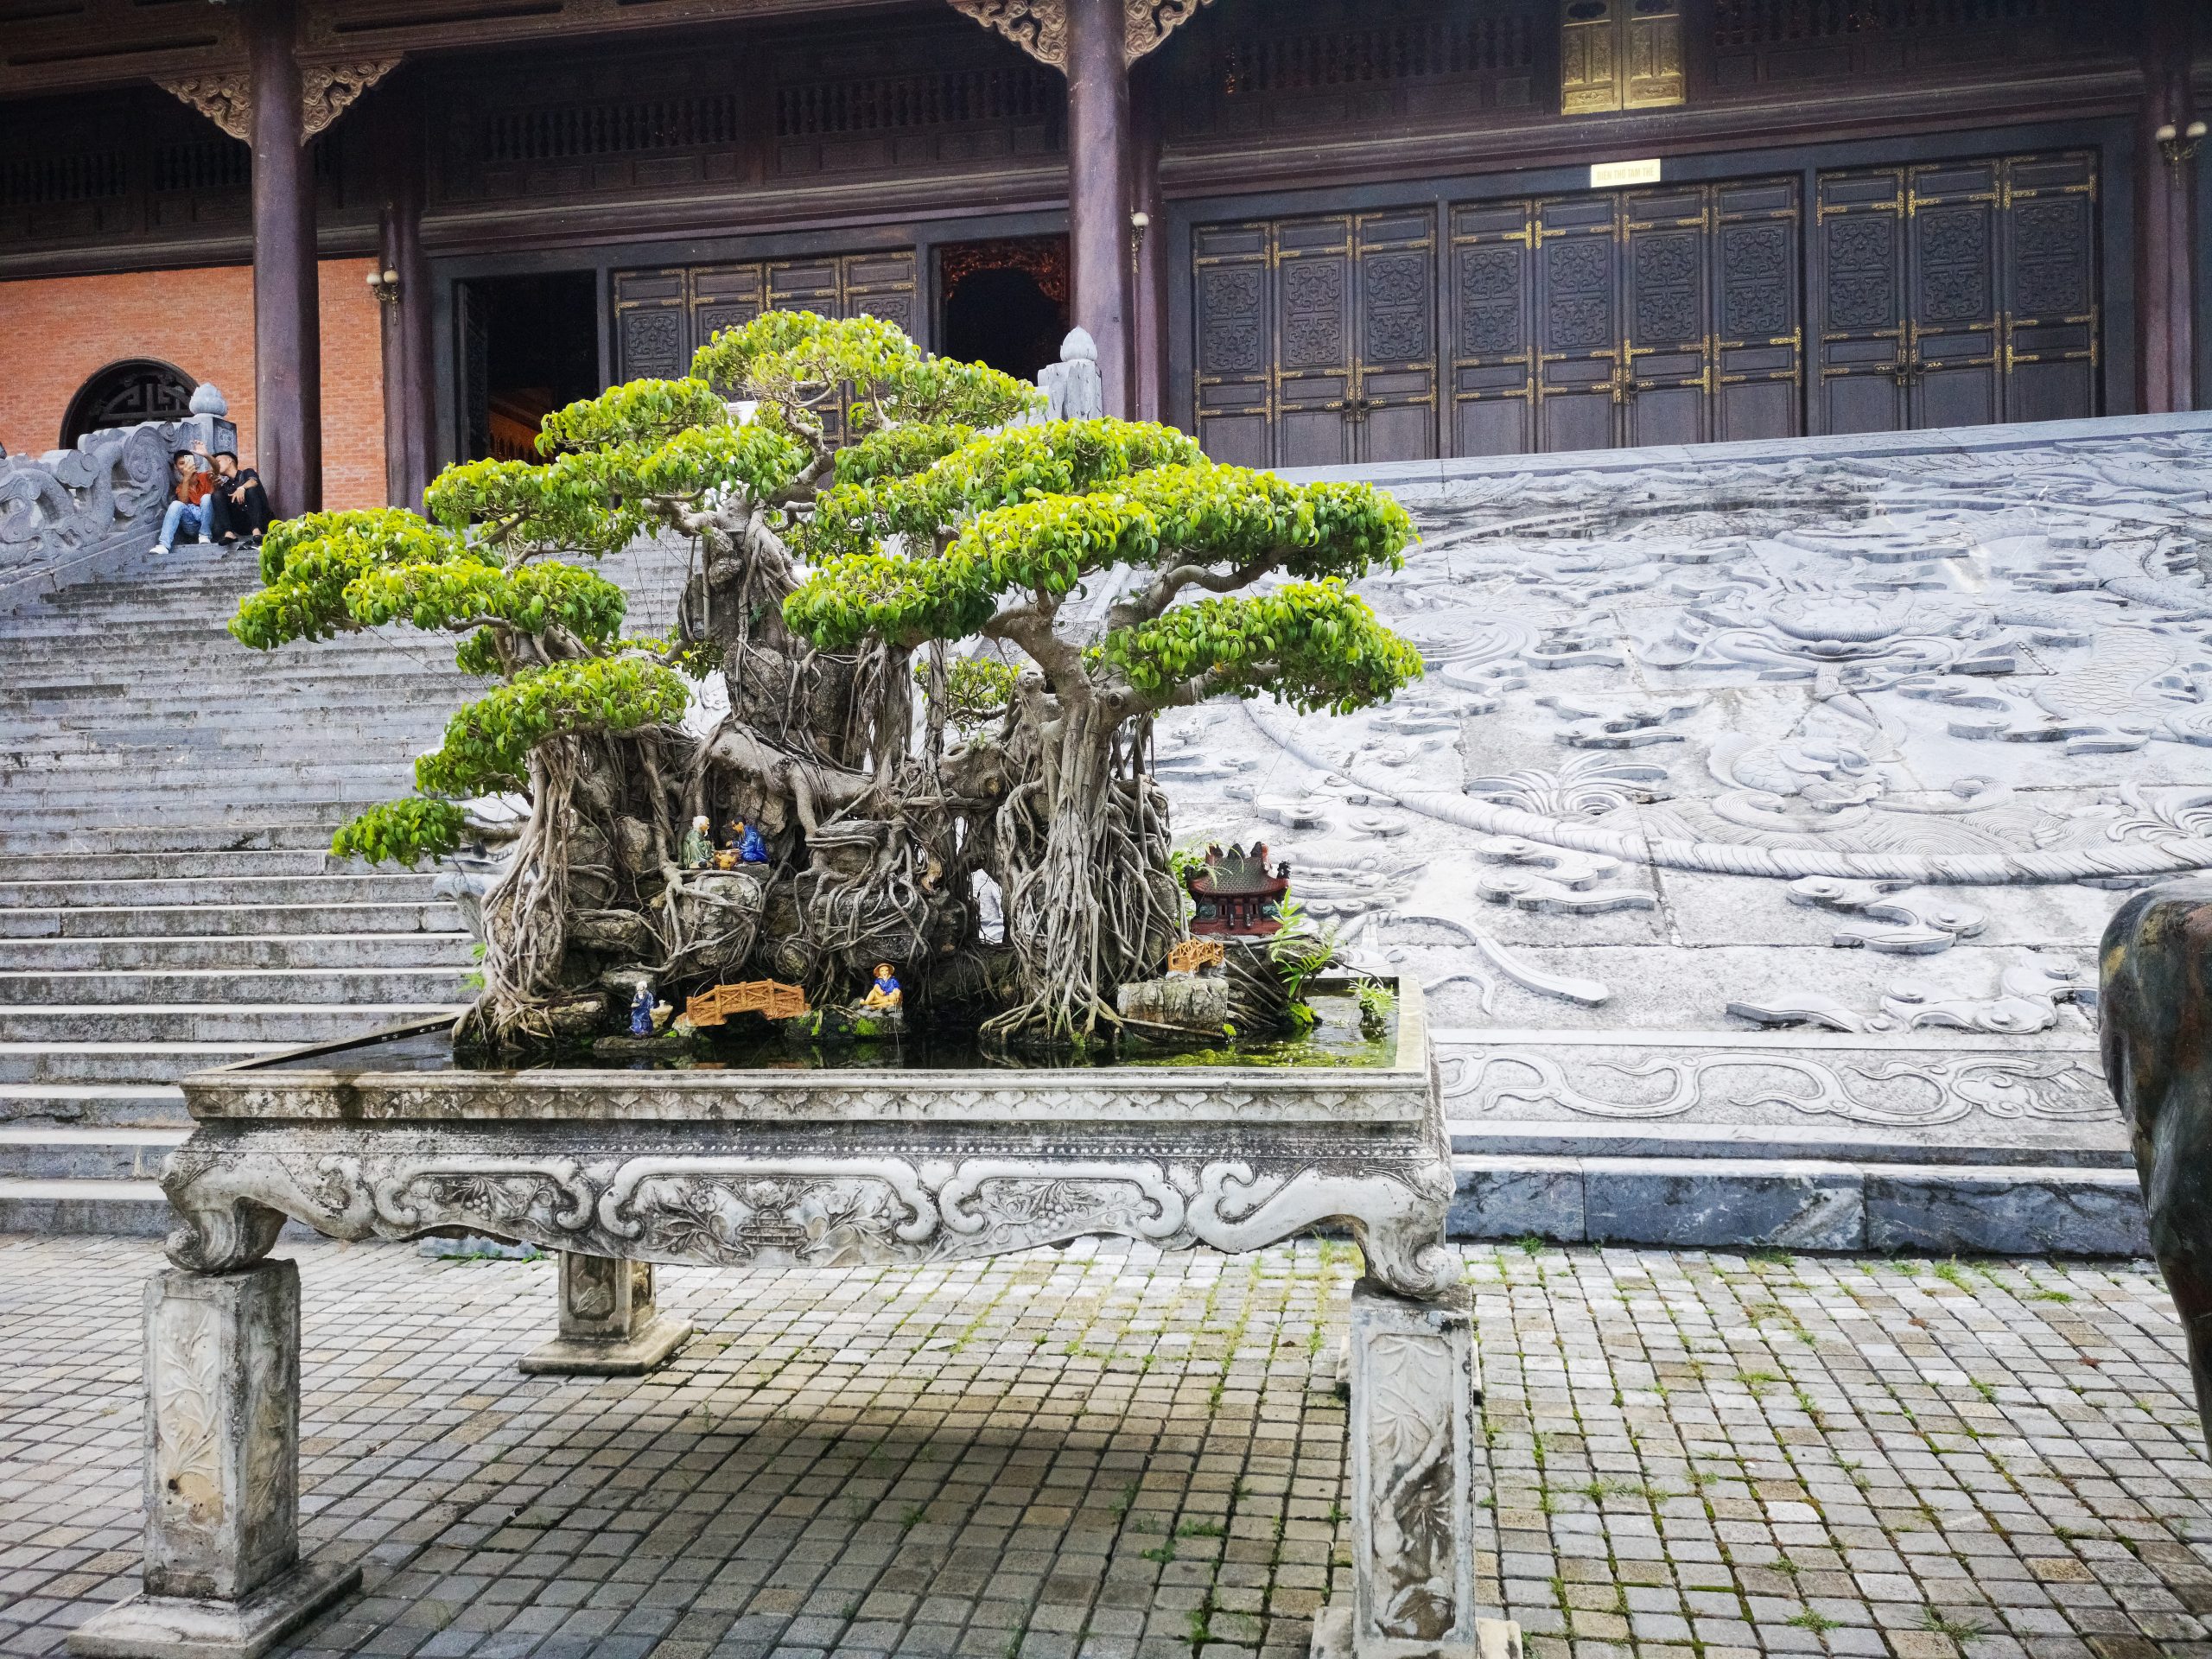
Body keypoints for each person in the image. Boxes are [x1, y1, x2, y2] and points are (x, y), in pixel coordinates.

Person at [152, 448, 213, 555]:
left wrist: (206, 455)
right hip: (192, 526)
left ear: (193, 463)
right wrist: (186, 478)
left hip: (210, 523)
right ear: (176, 467)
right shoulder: (181, 487)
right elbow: (183, 502)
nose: (185, 466)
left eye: (188, 462)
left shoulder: (205, 476)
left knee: (207, 498)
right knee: (176, 504)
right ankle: (164, 545)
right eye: (181, 463)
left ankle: (205, 535)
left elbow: (217, 469)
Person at [205, 450, 272, 546]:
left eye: (218, 462)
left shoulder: (247, 472)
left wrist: (242, 488)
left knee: (251, 490)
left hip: (262, 522)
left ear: (229, 460)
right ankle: (229, 533)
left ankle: (256, 530)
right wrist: (216, 487)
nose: (216, 466)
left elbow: (254, 481)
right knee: (217, 495)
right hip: (242, 526)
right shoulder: (226, 485)